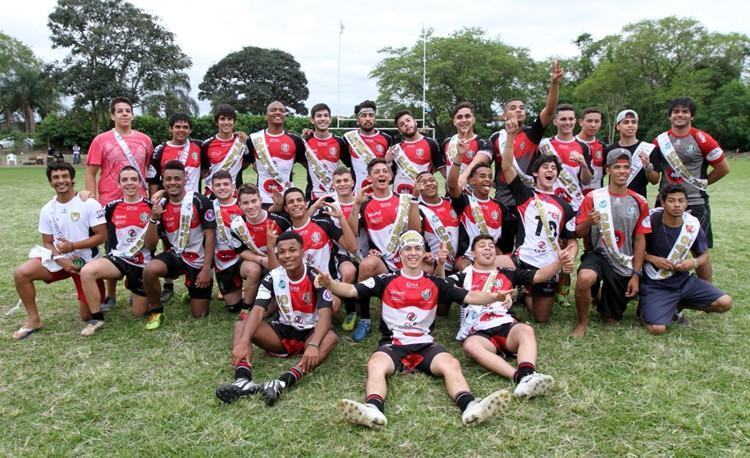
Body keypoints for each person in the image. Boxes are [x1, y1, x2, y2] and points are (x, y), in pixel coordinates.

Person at [318, 230, 513, 430]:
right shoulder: (385, 279)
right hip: (394, 344)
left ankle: (471, 407)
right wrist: (331, 284)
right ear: (400, 254)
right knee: (376, 364)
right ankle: (373, 410)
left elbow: (471, 296)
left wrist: (495, 297)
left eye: (418, 248)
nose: (413, 253)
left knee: (451, 364)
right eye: (408, 248)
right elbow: (351, 290)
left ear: (423, 253)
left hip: (425, 344)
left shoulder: (436, 282)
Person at [215, 231, 338, 406]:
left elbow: (326, 315)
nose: (287, 255)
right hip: (281, 333)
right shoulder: (272, 277)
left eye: (292, 250)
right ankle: (243, 381)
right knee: (241, 326)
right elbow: (257, 310)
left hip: (309, 334)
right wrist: (244, 341)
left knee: (330, 338)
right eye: (282, 252)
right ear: (277, 254)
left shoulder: (317, 277)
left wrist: (313, 344)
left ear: (302, 252)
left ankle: (281, 383)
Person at [468, 60, 563, 254]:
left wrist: (554, 84)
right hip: (502, 200)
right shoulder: (496, 138)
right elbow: (483, 162)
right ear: (504, 115)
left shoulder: (532, 133)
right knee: (501, 247)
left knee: (524, 245)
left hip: (526, 199)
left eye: (521, 107)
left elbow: (549, 110)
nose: (518, 110)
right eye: (513, 107)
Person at [451, 235, 561, 398]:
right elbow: (442, 287)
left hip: (506, 325)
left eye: (491, 246)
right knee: (470, 346)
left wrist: (560, 262)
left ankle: (527, 373)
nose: (488, 248)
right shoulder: (463, 276)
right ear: (473, 253)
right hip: (480, 331)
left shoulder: (508, 274)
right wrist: (440, 265)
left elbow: (538, 276)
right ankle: (520, 378)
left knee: (525, 330)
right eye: (482, 246)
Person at [12, 162, 106, 340]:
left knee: (86, 316)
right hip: (60, 261)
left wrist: (73, 247)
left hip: (85, 263)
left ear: (72, 179)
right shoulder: (47, 209)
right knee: (21, 273)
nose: (61, 181)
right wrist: (61, 260)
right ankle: (33, 320)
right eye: (56, 177)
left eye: (64, 176)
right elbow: (47, 242)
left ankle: (97, 294)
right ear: (50, 182)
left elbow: (102, 236)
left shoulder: (89, 203)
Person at [500, 118, 578, 323]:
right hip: (521, 260)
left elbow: (572, 241)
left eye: (554, 168)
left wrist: (569, 257)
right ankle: (511, 288)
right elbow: (507, 166)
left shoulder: (565, 205)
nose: (550, 170)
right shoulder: (525, 194)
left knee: (540, 318)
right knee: (488, 265)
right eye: (545, 167)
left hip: (547, 265)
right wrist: (509, 136)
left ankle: (526, 294)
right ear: (535, 173)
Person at [572, 149, 651, 337]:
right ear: (608, 170)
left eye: (626, 167)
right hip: (598, 255)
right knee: (584, 278)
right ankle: (582, 322)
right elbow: (578, 232)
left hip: (623, 260)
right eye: (617, 167)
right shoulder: (593, 197)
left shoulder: (639, 201)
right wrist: (589, 222)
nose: (622, 171)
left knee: (611, 320)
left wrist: (636, 275)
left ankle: (601, 295)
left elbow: (640, 239)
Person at [85, 96, 153, 312]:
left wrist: (152, 198)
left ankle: (137, 287)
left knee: (141, 247)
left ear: (132, 114)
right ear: (112, 115)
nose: (124, 114)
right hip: (110, 202)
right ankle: (111, 294)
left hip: (139, 204)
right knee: (112, 247)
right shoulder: (101, 140)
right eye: (119, 111)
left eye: (128, 110)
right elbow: (91, 171)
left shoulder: (145, 140)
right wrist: (94, 201)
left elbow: (149, 172)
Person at [651, 97, 730, 282]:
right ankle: (660, 290)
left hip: (695, 202)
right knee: (661, 247)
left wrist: (701, 184)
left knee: (699, 250)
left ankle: (706, 292)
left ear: (691, 116)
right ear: (670, 116)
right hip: (664, 202)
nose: (680, 115)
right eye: (676, 111)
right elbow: (654, 173)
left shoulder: (702, 138)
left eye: (685, 111)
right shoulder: (660, 140)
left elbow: (723, 168)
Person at [639, 184, 732, 334]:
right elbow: (632, 250)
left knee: (725, 303)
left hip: (683, 281)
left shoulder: (692, 224)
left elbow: (704, 256)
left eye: (681, 201)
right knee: (657, 329)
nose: (677, 205)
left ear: (686, 203)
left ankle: (676, 305)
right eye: (671, 200)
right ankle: (647, 310)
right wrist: (652, 258)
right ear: (662, 203)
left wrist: (692, 262)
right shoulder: (650, 221)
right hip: (656, 283)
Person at [348, 158, 420, 341]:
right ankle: (365, 318)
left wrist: (414, 202)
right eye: (376, 172)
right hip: (383, 263)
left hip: (406, 263)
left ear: (391, 176)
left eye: (384, 171)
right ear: (369, 178)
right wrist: (356, 205)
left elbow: (415, 232)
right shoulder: (365, 203)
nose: (381, 174)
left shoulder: (404, 200)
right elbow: (351, 233)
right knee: (366, 265)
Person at [78, 166, 154, 335]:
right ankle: (97, 319)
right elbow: (89, 218)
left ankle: (138, 289)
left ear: (140, 182)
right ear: (119, 184)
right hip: (120, 259)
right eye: (125, 180)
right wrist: (83, 196)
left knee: (138, 313)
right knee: (87, 272)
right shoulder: (111, 207)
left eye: (133, 179)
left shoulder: (151, 206)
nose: (129, 183)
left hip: (143, 263)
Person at [141, 161, 217, 329]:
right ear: (163, 181)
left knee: (199, 315)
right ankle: (156, 310)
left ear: (185, 179)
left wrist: (206, 269)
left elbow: (210, 237)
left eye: (177, 178)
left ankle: (193, 290)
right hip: (176, 256)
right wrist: (153, 218)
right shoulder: (160, 205)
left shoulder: (200, 201)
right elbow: (151, 245)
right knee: (149, 270)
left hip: (198, 260)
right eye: (168, 179)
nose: (173, 182)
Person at [275, 187, 358, 314]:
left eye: (299, 200)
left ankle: (342, 302)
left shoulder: (324, 223)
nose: (296, 203)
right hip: (303, 285)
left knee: (332, 306)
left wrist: (341, 217)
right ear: (286, 208)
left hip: (329, 281)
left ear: (306, 203)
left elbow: (352, 247)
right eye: (291, 202)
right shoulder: (286, 236)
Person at [230, 184, 288, 314]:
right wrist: (261, 260)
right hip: (255, 262)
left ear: (261, 200)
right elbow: (240, 252)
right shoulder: (237, 225)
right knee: (253, 269)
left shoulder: (280, 221)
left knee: (267, 312)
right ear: (239, 204)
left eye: (254, 201)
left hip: (277, 265)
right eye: (245, 203)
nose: (250, 206)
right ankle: (245, 308)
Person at [447, 143, 504, 271]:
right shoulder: (465, 202)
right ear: (472, 181)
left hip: (491, 255)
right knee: (464, 267)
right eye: (482, 176)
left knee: (509, 264)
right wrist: (459, 156)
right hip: (468, 257)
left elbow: (502, 242)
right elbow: (452, 186)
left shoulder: (500, 207)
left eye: (490, 176)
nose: (487, 179)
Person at [246, 101, 307, 206]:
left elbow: (309, 167)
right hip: (261, 200)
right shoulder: (253, 139)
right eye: (273, 110)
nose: (278, 112)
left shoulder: (295, 140)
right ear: (265, 116)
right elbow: (241, 167)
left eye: (282, 111)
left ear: (285, 116)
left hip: (287, 199)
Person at [539, 104, 592, 212]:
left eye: (571, 119)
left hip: (574, 203)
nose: (567, 122)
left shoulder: (583, 147)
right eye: (563, 119)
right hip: (549, 202)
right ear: (555, 122)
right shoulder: (544, 145)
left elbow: (586, 181)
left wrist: (584, 165)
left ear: (575, 120)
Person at [210, 170, 247, 313]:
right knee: (233, 307)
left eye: (226, 184)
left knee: (252, 270)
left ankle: (251, 292)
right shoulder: (208, 206)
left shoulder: (242, 205)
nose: (222, 187)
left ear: (233, 187)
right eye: (217, 185)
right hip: (223, 262)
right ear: (212, 189)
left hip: (242, 258)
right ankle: (238, 292)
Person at [603, 109, 659, 199]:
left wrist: (648, 167)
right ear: (618, 126)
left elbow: (655, 181)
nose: (630, 125)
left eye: (633, 122)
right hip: (613, 199)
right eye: (626, 122)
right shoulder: (609, 150)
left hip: (638, 200)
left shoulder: (648, 149)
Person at [342, 100, 394, 192]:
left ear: (375, 119)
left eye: (371, 115)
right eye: (363, 115)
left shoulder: (387, 138)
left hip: (379, 193)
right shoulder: (348, 139)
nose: (368, 118)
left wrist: (387, 162)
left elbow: (390, 176)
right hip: (356, 194)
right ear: (357, 120)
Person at [414, 171, 460, 277]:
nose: (429, 184)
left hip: (459, 261)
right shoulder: (418, 209)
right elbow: (414, 232)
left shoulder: (452, 203)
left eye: (432, 180)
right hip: (435, 264)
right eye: (424, 182)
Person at [201, 103, 251, 197]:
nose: (226, 122)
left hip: (236, 195)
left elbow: (247, 163)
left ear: (234, 122)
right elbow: (203, 170)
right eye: (222, 119)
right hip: (212, 194)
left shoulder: (242, 141)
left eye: (230, 119)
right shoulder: (207, 144)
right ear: (217, 122)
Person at [303, 102, 349, 200]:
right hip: (312, 196)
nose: (323, 118)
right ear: (312, 120)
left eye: (326, 115)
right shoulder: (305, 142)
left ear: (330, 119)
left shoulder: (339, 142)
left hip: (334, 195)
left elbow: (350, 165)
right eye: (319, 116)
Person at [391, 110, 443, 194]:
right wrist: (387, 161)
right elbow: (390, 177)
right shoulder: (396, 149)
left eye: (408, 120)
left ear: (415, 122)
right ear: (399, 130)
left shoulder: (431, 143)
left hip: (422, 197)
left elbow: (441, 168)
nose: (406, 124)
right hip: (399, 196)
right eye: (402, 124)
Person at [442, 102, 492, 181]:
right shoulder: (447, 142)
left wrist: (462, 178)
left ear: (474, 120)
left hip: (472, 192)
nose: (464, 120)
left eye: (467, 116)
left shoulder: (483, 143)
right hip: (451, 192)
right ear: (454, 122)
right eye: (459, 117)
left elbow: (478, 163)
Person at [576, 107, 606, 194]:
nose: (593, 125)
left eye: (597, 121)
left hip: (597, 198)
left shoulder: (603, 146)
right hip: (574, 197)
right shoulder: (572, 144)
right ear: (581, 122)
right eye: (589, 121)